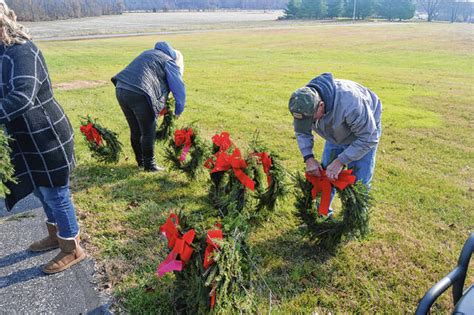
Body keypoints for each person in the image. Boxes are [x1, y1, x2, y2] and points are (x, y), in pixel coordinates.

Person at [0, 1, 85, 273]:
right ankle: (55, 235)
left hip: (47, 136)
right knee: (40, 189)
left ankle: (72, 248)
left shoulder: (20, 51)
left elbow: (22, 96)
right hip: (25, 138)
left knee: (56, 193)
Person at [289, 73, 382, 214]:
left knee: (359, 182)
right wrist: (308, 158)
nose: (310, 124)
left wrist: (341, 161)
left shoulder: (351, 104)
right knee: (325, 175)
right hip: (335, 132)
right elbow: (302, 132)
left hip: (363, 134)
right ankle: (323, 216)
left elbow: (368, 138)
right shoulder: (303, 104)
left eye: (311, 120)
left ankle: (354, 223)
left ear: (321, 105)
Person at [112, 41, 186, 172]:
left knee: (135, 129)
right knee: (148, 131)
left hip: (121, 88)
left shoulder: (148, 53)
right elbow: (178, 88)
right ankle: (149, 165)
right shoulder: (169, 61)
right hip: (140, 92)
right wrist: (178, 110)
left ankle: (141, 161)